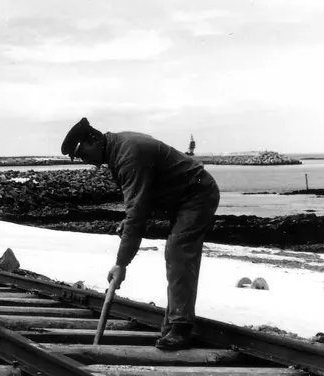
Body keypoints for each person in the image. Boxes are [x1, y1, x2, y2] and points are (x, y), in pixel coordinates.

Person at [61, 118, 220, 350]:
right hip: (175, 197)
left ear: (93, 139)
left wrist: (121, 264)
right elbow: (139, 201)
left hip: (196, 195)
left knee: (178, 251)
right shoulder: (116, 150)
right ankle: (173, 325)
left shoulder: (128, 155)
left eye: (82, 153)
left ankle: (181, 328)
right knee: (170, 248)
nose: (85, 160)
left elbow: (137, 213)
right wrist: (129, 222)